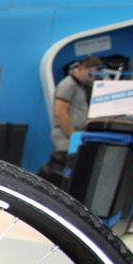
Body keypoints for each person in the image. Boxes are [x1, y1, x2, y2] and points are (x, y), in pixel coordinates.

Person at [39, 57, 101, 185]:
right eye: (90, 74)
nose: (92, 77)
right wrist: (74, 135)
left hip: (75, 136)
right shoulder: (68, 85)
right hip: (67, 136)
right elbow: (60, 112)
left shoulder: (82, 86)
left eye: (95, 75)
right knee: (58, 166)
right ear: (81, 69)